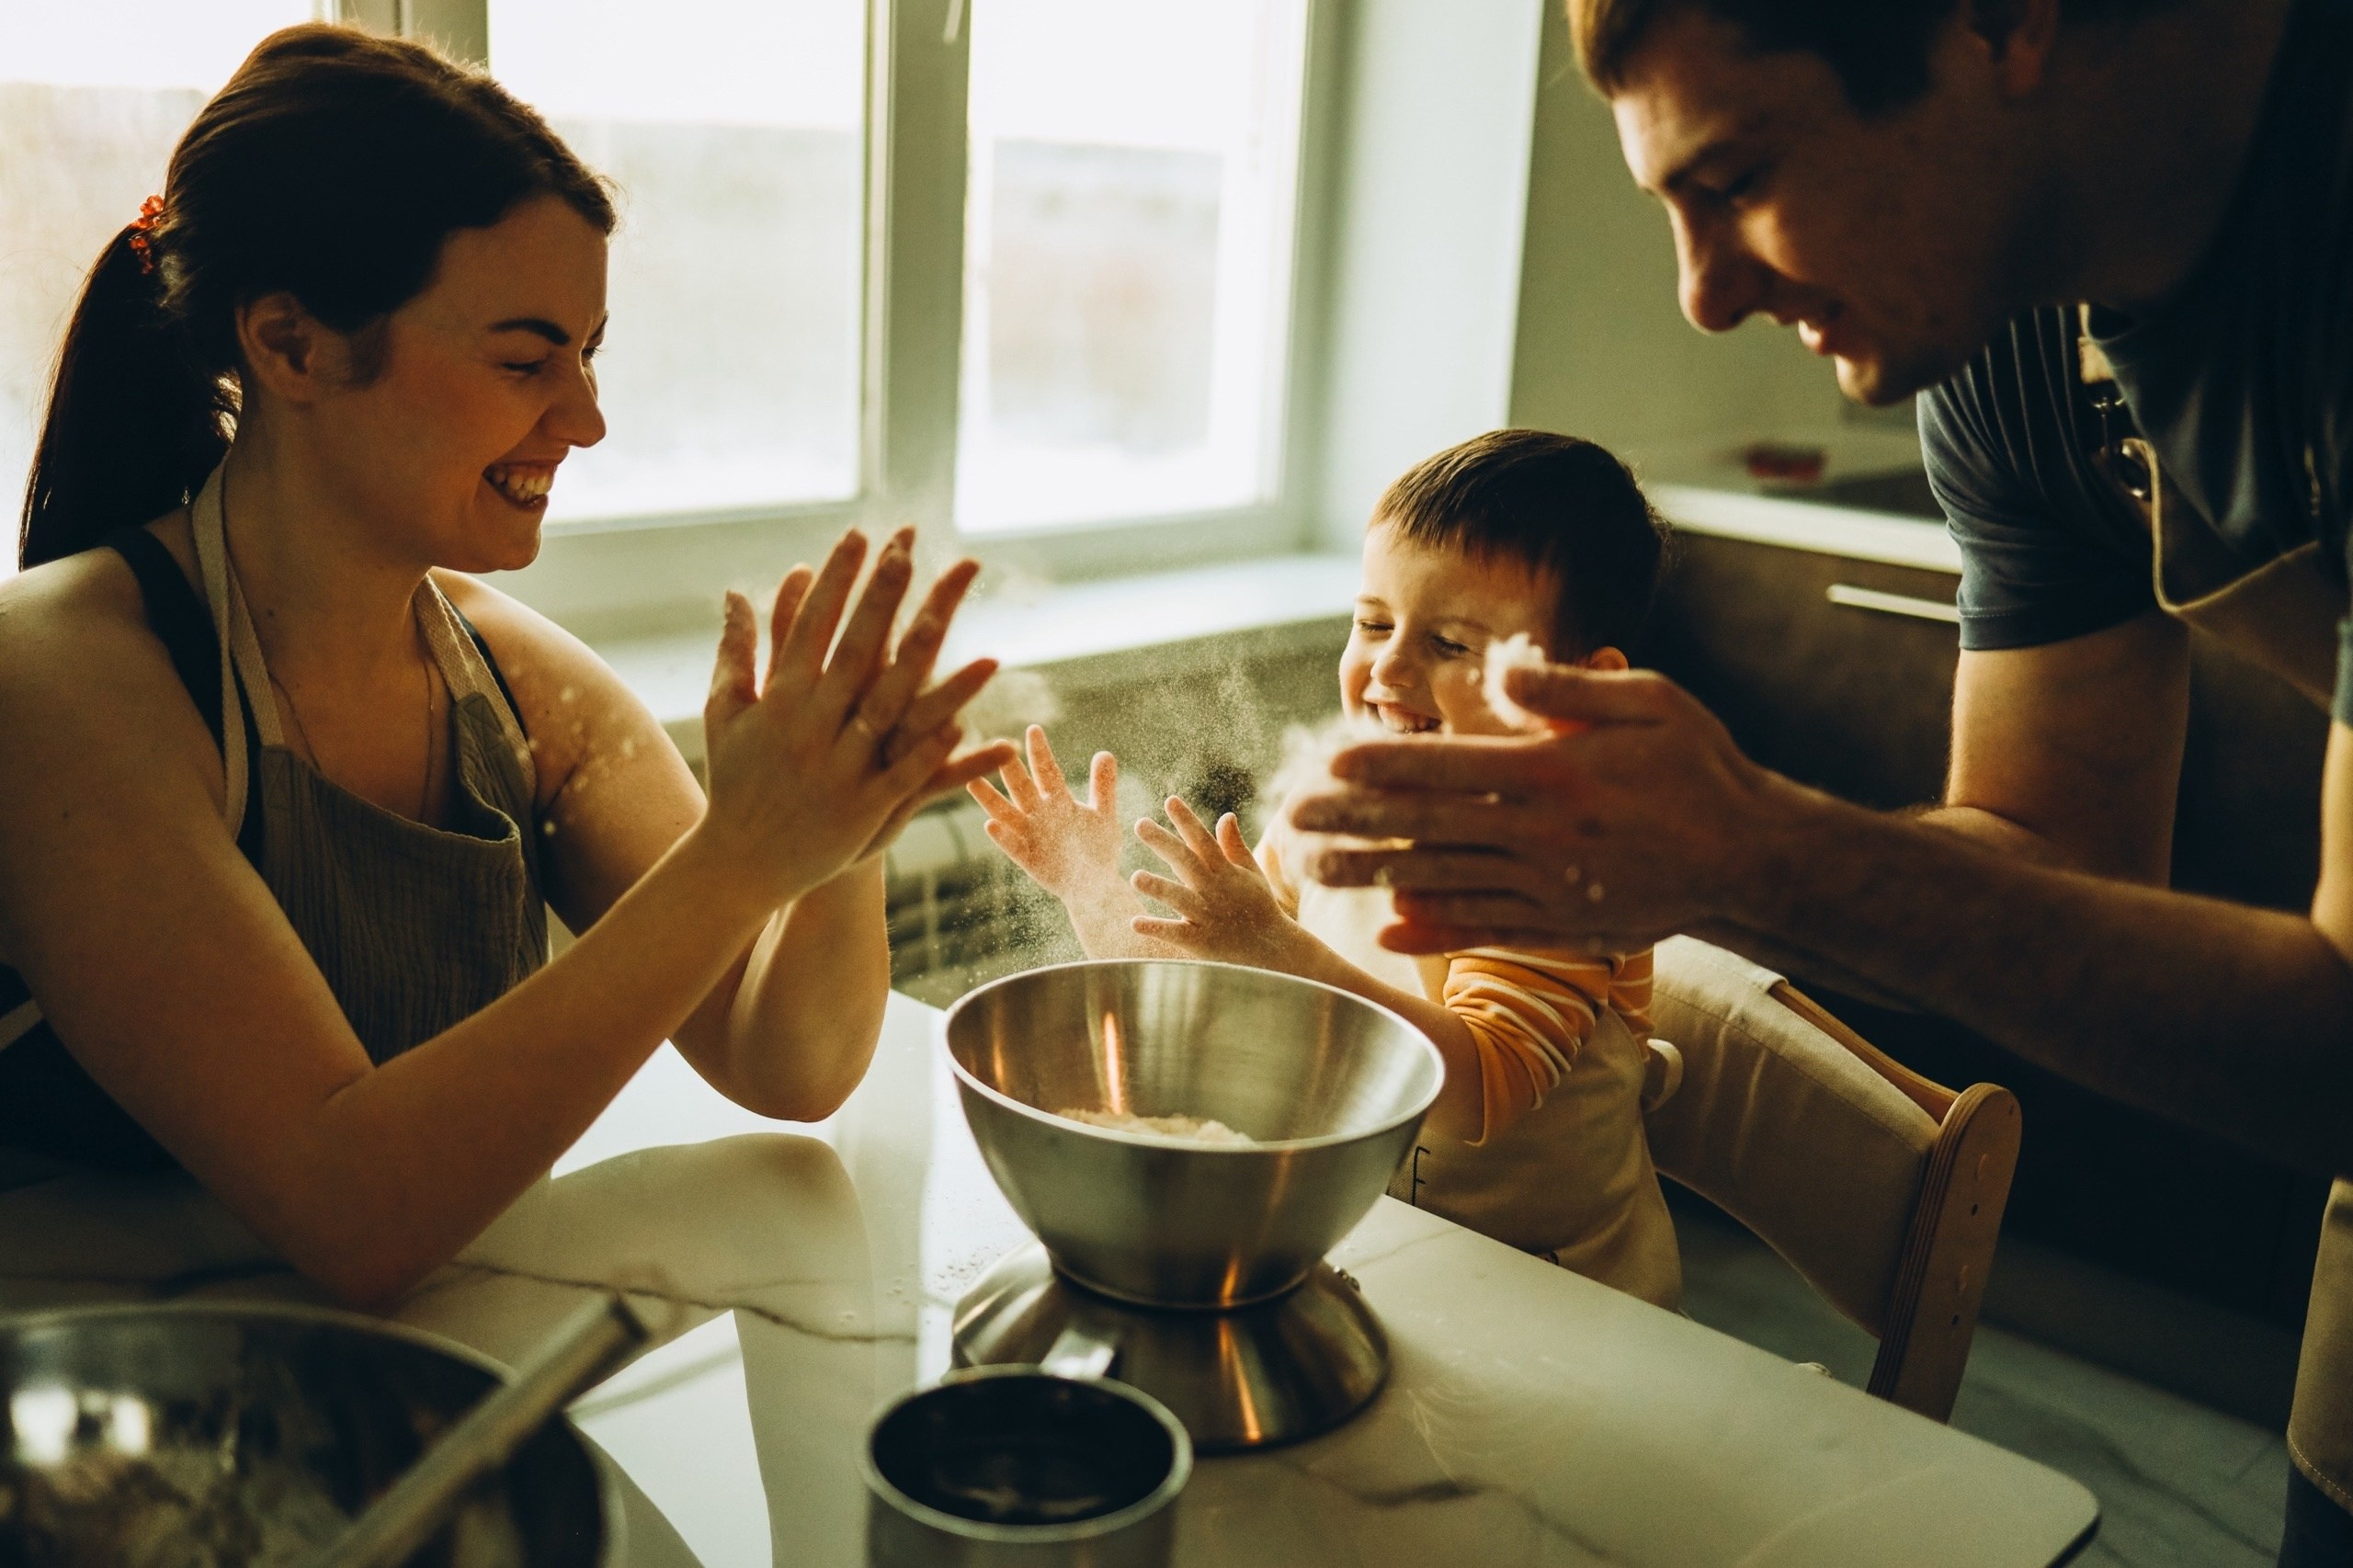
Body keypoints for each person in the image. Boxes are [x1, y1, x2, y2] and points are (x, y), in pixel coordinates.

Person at [1283, 0, 2353, 1557]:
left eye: (1740, 173)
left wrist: (1757, 856)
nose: (1702, 297)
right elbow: (2051, 852)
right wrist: (1676, 861)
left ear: (2009, 26)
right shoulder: (2010, 348)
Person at [0, 25, 1014, 1308]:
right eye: (528, 358)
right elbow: (348, 1207)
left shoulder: (513, 683)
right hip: (96, 1409)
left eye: (591, 353)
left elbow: (786, 1054)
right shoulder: (62, 678)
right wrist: (741, 857)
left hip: (405, 1374)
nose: (586, 418)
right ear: (292, 346)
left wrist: (841, 826)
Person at [971, 430, 1686, 1307]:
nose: (1388, 666)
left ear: (1580, 688)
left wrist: (1274, 946)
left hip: (1559, 1299)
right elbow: (1212, 992)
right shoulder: (1332, 809)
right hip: (1383, 1250)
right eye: (1375, 623)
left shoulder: (1564, 871)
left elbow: (1471, 1101)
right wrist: (1091, 887)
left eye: (1453, 643)